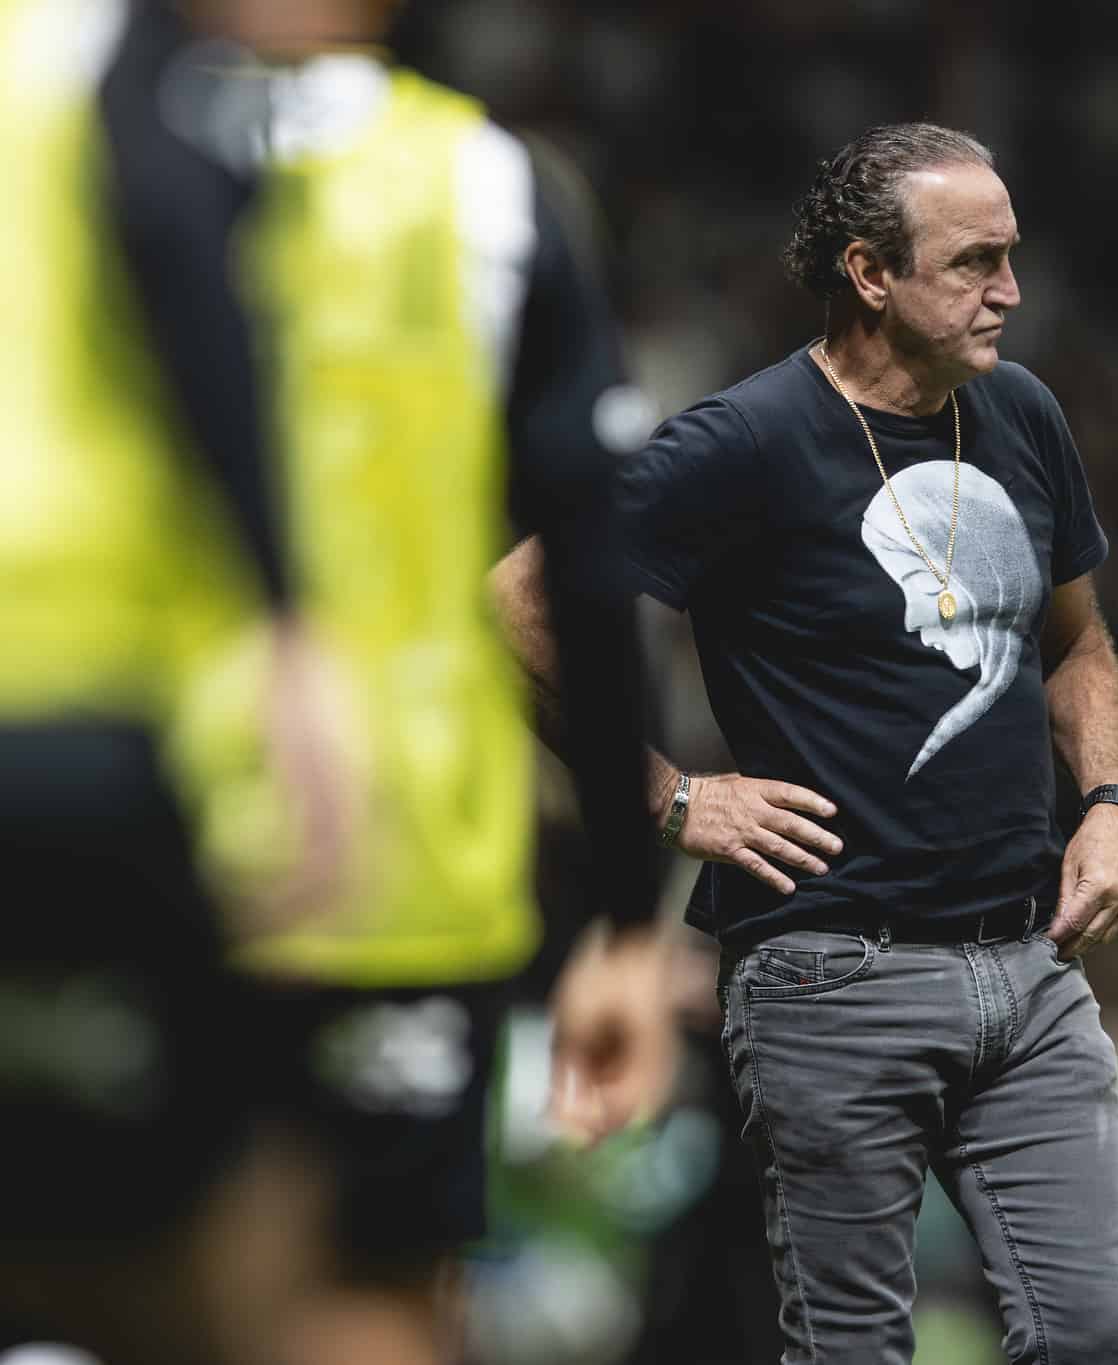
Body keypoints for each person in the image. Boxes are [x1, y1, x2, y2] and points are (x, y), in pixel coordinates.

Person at [494, 122, 1118, 1364]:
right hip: (831, 973)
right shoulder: (747, 438)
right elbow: (521, 602)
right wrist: (668, 795)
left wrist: (1114, 800)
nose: (1008, 290)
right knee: (853, 1350)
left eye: (1010, 258)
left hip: (1029, 968)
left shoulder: (1019, 412)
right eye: (972, 263)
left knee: (1098, 1337)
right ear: (868, 273)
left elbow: (1080, 645)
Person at [159, 3, 678, 1360]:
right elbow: (585, 562)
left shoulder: (39, 131)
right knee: (367, 1298)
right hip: (378, 869)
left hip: (97, 815)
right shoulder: (479, 188)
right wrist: (626, 911)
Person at [0, 1, 356, 1361]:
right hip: (75, 689)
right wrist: (289, 619)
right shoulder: (94, 42)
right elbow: (164, 227)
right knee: (198, 1227)